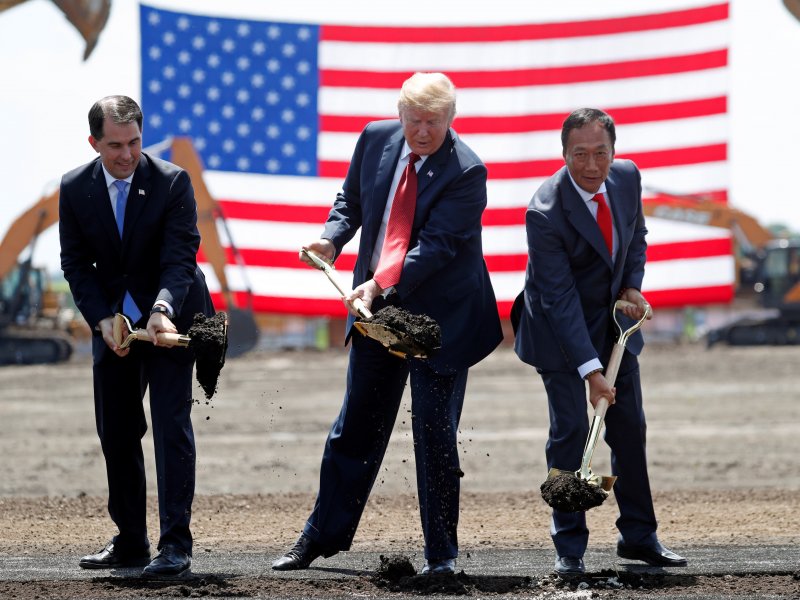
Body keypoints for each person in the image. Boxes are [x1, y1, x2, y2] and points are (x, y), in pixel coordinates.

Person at [272, 72, 503, 575]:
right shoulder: (375, 138)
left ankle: (441, 556)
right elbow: (350, 201)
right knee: (354, 425)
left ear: (451, 118)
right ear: (400, 116)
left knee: (434, 436)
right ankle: (319, 537)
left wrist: (378, 285)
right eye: (414, 120)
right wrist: (332, 240)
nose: (422, 132)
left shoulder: (468, 171)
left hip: (437, 321)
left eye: (434, 122)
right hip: (374, 312)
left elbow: (434, 247)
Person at [512, 108, 687, 575]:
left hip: (613, 325)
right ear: (564, 153)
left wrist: (631, 285)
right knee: (571, 434)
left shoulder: (627, 178)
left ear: (615, 151)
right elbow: (559, 298)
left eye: (601, 153)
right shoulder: (544, 212)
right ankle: (569, 547)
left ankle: (639, 535)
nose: (592, 166)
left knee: (629, 427)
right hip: (556, 330)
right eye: (580, 155)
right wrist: (590, 371)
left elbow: (637, 238)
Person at [59, 95, 214, 579]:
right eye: (114, 145)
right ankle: (130, 542)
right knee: (117, 432)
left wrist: (163, 310)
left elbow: (180, 254)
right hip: (114, 328)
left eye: (134, 143)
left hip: (170, 320)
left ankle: (175, 548)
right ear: (94, 142)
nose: (126, 155)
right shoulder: (74, 188)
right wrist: (102, 318)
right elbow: (76, 264)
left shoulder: (171, 182)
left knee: (171, 426)